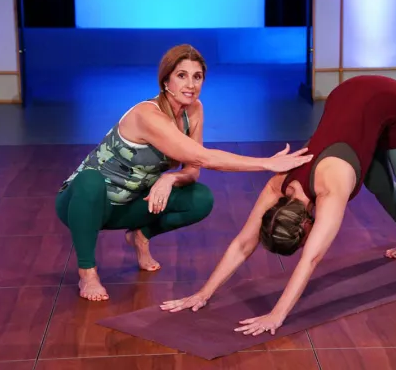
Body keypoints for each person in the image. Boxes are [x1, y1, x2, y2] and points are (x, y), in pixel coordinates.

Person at [159, 74, 396, 335]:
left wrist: (277, 315)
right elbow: (243, 243)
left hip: (389, 100)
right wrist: (203, 293)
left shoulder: (332, 190)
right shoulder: (277, 183)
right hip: (347, 98)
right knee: (378, 184)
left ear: (308, 223)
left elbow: (310, 260)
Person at [55, 44, 312, 302]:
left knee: (200, 199)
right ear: (166, 80)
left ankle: (140, 236)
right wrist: (266, 163)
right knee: (90, 181)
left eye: (197, 76)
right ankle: (87, 273)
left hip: (129, 205)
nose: (190, 84)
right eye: (181, 75)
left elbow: (193, 169)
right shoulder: (147, 114)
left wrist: (170, 178)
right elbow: (203, 157)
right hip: (83, 205)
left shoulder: (194, 110)